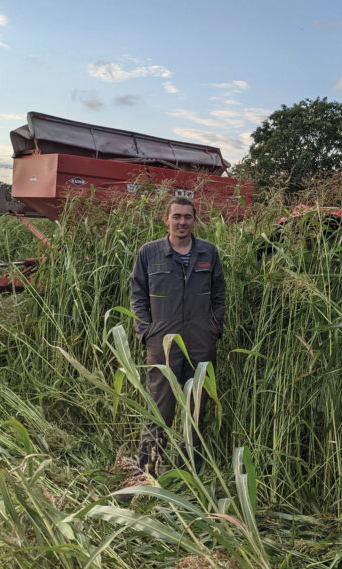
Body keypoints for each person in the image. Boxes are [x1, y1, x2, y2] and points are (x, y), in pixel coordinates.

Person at [128, 196, 225, 478]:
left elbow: (219, 295)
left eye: (188, 217)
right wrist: (145, 332)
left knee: (196, 407)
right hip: (163, 343)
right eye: (177, 216)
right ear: (166, 220)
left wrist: (213, 328)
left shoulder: (208, 252)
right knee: (160, 405)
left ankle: (188, 470)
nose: (182, 222)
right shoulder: (149, 253)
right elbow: (137, 296)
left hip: (200, 343)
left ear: (195, 220)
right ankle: (147, 470)